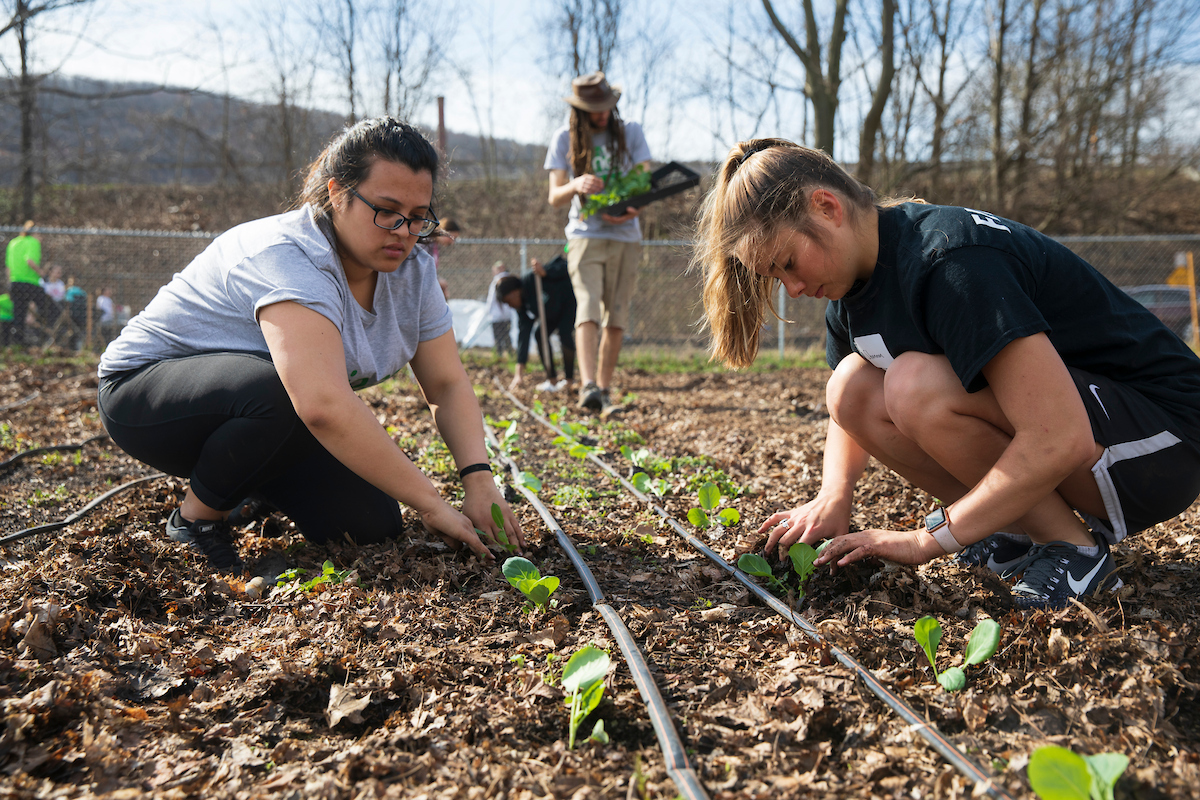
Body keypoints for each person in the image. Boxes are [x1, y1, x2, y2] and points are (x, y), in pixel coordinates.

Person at [693, 137, 1200, 610]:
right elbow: (848, 412)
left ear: (827, 207)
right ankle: (1017, 532)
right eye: (776, 278)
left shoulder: (952, 260)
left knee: (914, 385)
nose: (794, 288)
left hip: (1166, 444)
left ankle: (1074, 551)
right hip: (1100, 439)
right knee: (851, 385)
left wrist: (927, 540)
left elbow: (1058, 436)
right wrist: (834, 496)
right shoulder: (851, 291)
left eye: (788, 262)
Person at [97, 116, 524, 573]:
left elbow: (446, 384)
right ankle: (197, 520)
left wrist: (478, 479)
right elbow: (320, 403)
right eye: (386, 209)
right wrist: (433, 504)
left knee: (369, 525)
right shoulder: (289, 254)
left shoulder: (414, 272)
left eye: (418, 217)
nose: (403, 230)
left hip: (268, 414)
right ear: (338, 193)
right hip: (147, 396)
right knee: (284, 392)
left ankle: (248, 484)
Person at [545, 71, 651, 414]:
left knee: (616, 315)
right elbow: (554, 196)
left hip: (626, 236)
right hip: (585, 235)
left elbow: (645, 179)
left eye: (607, 106)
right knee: (587, 305)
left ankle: (604, 391)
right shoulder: (564, 138)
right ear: (579, 110)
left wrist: (630, 208)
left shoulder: (630, 132)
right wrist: (577, 185)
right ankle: (588, 385)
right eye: (595, 108)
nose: (603, 113)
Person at [498, 253, 578, 392]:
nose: (510, 306)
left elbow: (565, 267)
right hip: (550, 315)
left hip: (567, 304)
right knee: (539, 335)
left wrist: (546, 272)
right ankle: (552, 380)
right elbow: (524, 337)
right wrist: (518, 374)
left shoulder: (533, 278)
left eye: (508, 301)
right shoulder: (522, 308)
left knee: (565, 335)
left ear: (514, 293)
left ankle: (569, 380)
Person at [5, 220, 57, 345]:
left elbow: (8, 267)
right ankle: (53, 334)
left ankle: (18, 343)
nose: (41, 237)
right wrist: (43, 274)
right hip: (30, 283)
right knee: (50, 308)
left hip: (15, 282)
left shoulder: (13, 242)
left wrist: (9, 283)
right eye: (40, 233)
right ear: (34, 233)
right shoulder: (33, 242)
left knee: (19, 314)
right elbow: (30, 261)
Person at [486, 260, 514, 358]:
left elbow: (491, 299)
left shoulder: (496, 281)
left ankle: (499, 354)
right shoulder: (510, 279)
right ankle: (510, 353)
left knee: (498, 337)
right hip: (507, 314)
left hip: (496, 315)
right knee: (506, 335)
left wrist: (488, 311)